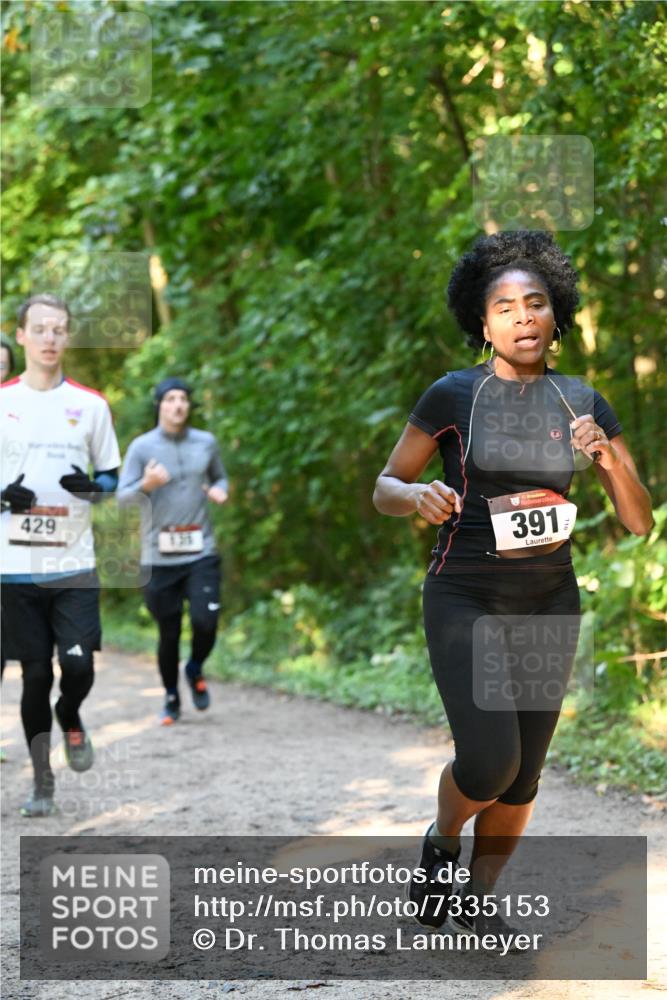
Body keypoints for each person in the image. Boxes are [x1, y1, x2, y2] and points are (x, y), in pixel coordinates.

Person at [373, 230, 653, 940]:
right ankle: (440, 842)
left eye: (535, 303)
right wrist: (417, 498)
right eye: (504, 307)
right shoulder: (452, 393)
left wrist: (605, 462)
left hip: (548, 600)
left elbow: (638, 521)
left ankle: (475, 894)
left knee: (524, 777)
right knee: (490, 762)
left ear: (556, 313)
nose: (522, 316)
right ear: (481, 321)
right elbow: (385, 485)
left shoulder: (580, 400)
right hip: (464, 595)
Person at [0, 293, 121, 817]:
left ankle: (71, 714)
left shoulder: (91, 405)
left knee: (76, 668)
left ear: (68, 337)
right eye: (40, 328)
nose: (50, 338)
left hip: (72, 563)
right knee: (33, 675)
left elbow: (112, 478)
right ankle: (42, 783)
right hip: (14, 567)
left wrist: (93, 488)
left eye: (60, 329)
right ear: (21, 335)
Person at [117, 378, 228, 725]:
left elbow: (220, 478)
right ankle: (170, 697)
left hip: (201, 551)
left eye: (183, 399)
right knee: (169, 632)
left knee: (205, 620)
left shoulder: (205, 442)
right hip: (158, 557)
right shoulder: (141, 447)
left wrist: (220, 491)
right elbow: (122, 501)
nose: (178, 405)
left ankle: (194, 667)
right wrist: (146, 485)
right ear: (159, 405)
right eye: (170, 399)